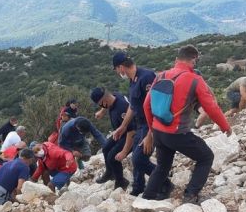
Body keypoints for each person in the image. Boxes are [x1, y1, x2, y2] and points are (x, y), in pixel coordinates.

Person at [143, 45, 232, 203]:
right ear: (194, 60)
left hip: (158, 131)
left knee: (162, 166)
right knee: (206, 157)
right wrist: (225, 126)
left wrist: (153, 128)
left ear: (177, 59)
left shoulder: (161, 75)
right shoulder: (195, 79)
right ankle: (190, 195)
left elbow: (146, 105)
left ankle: (147, 198)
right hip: (177, 133)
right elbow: (211, 107)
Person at [111, 51, 157, 196]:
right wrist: (123, 126)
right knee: (136, 158)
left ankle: (163, 181)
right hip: (140, 124)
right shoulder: (133, 80)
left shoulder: (147, 77)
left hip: (150, 125)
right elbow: (133, 106)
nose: (118, 73)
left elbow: (156, 107)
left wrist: (150, 134)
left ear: (120, 68)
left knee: (139, 158)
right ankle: (138, 187)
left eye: (117, 70)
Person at [90, 87, 133, 190]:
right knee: (105, 148)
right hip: (119, 132)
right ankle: (110, 173)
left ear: (103, 101)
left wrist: (124, 151)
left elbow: (132, 131)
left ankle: (121, 181)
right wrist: (101, 112)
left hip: (130, 135)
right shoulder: (113, 96)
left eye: (99, 104)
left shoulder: (122, 108)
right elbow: (106, 103)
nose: (100, 106)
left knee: (112, 157)